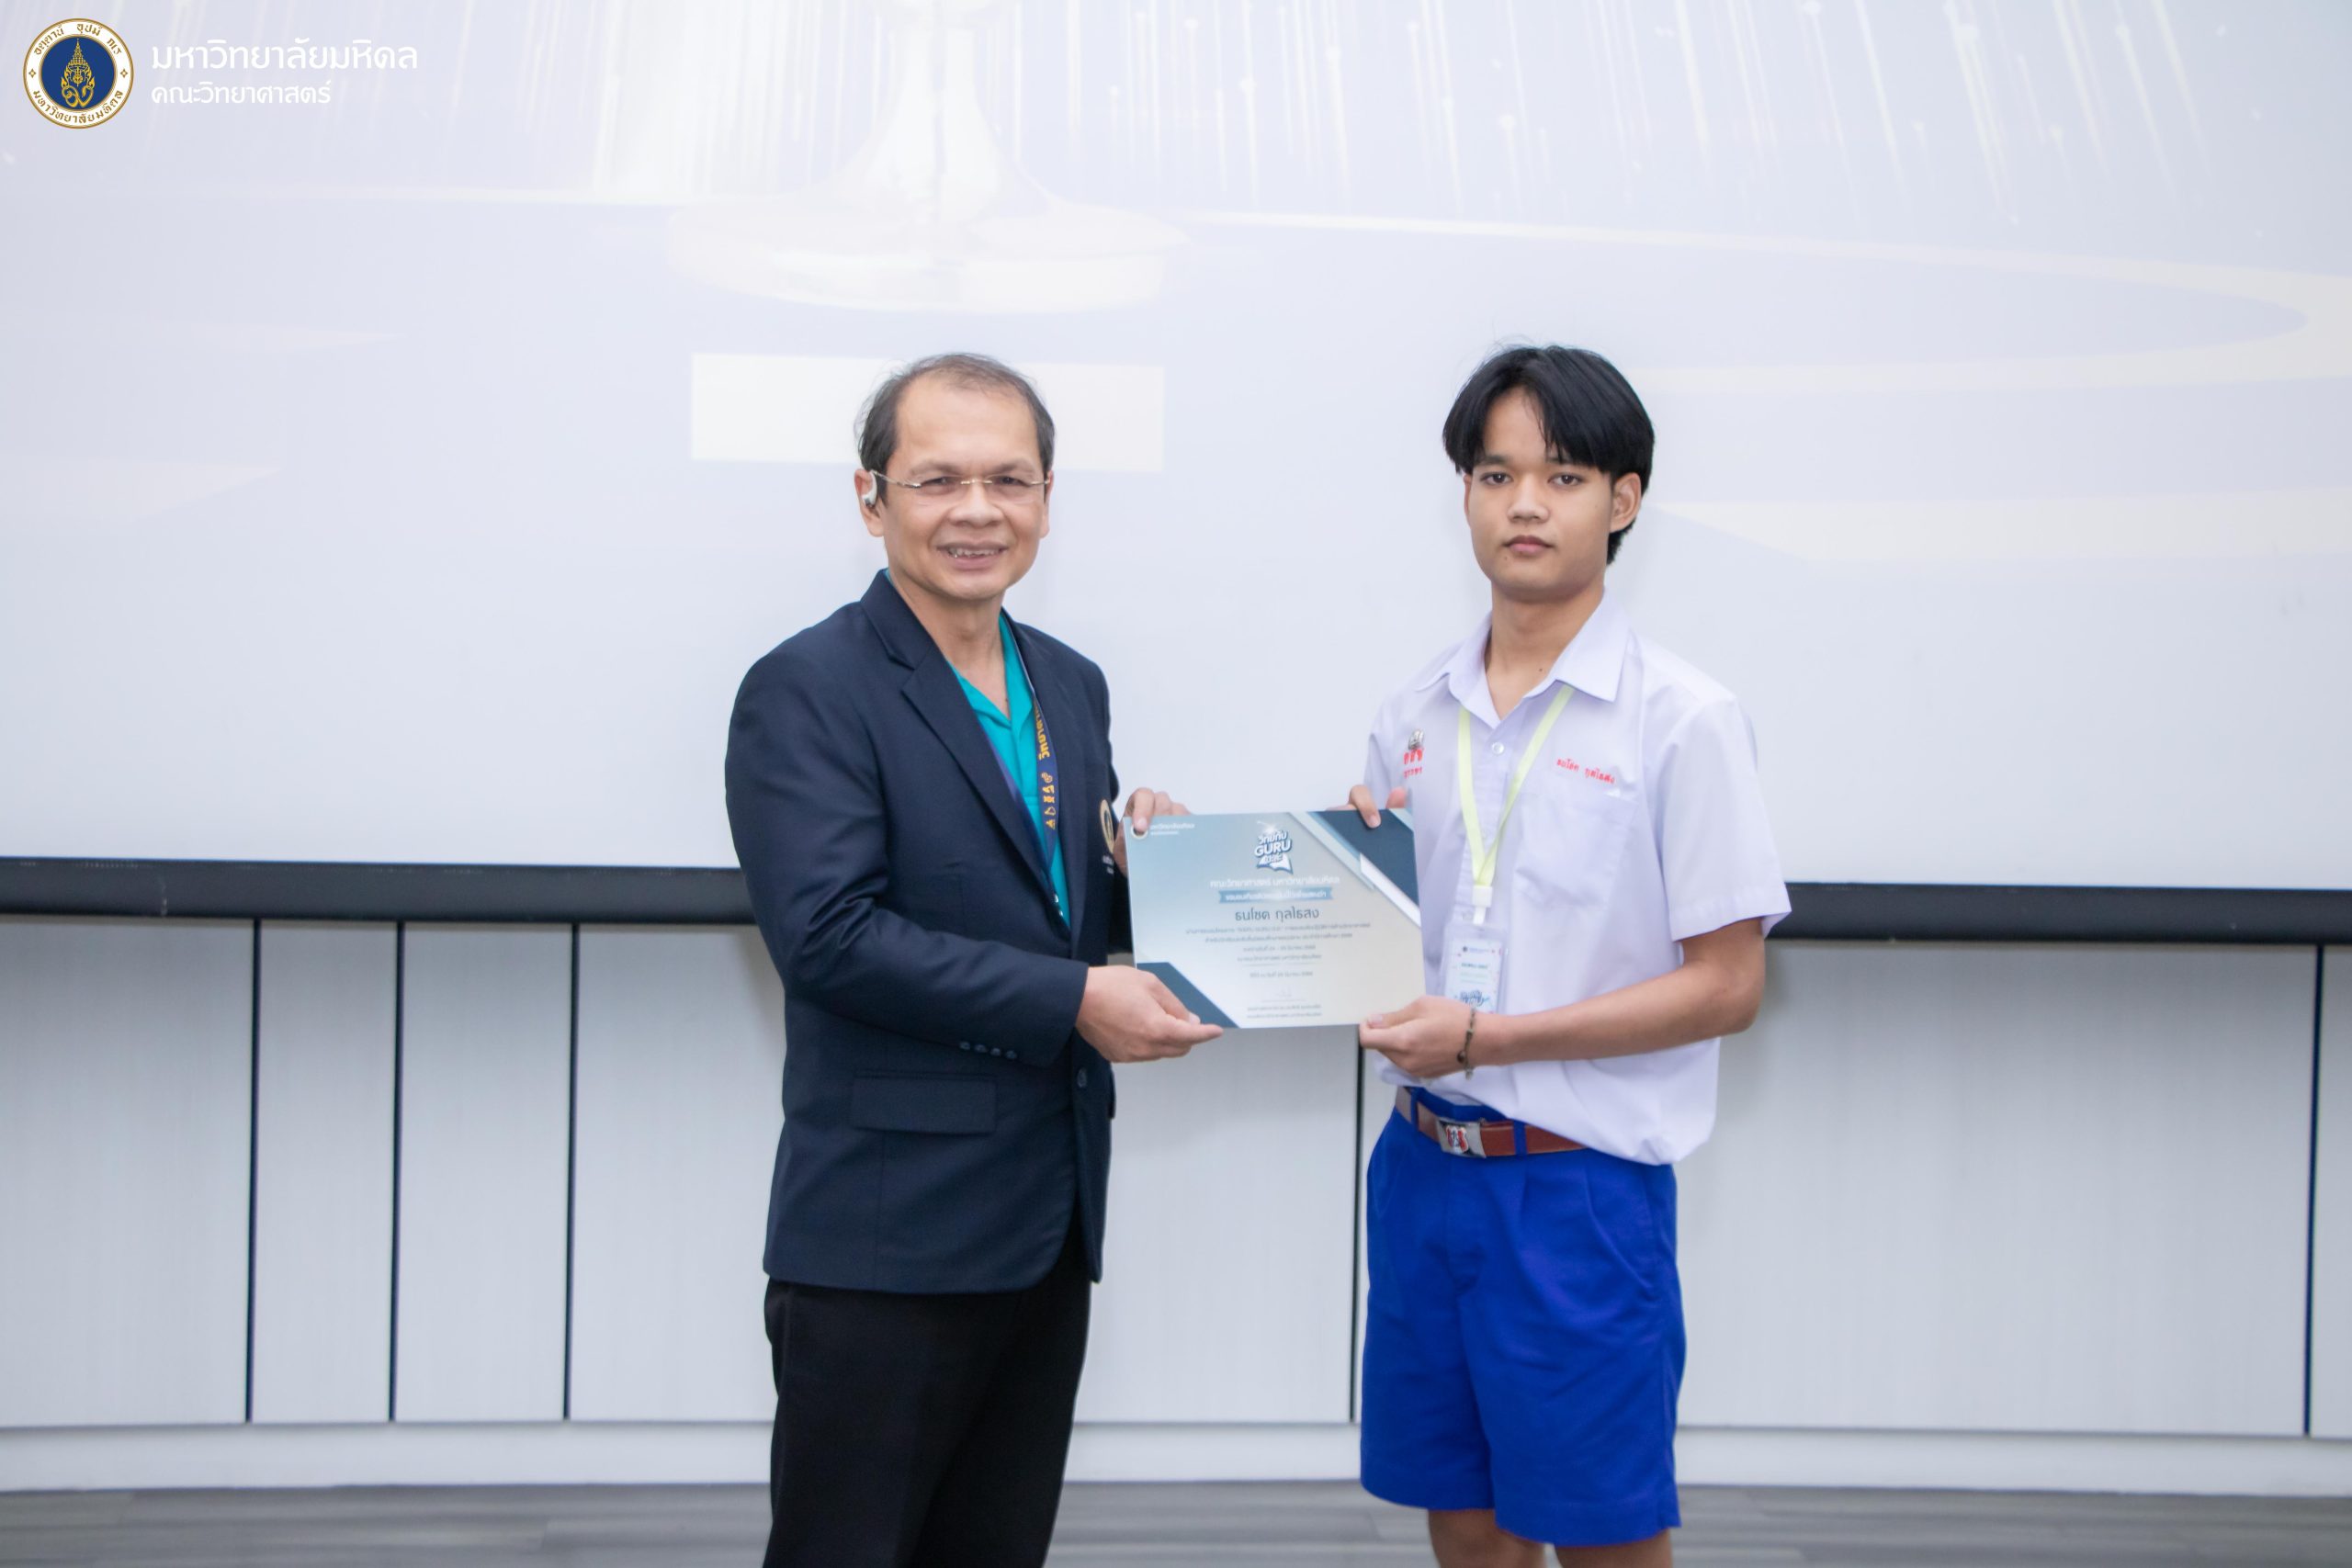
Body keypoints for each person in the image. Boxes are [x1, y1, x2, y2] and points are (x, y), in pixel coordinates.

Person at [725, 352, 1220, 1568]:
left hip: (1046, 1222)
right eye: (938, 480)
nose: (978, 511)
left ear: (1048, 497)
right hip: (888, 1239)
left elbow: (1050, 910)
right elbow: (830, 938)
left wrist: (1158, 869)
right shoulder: (808, 687)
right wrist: (1077, 1000)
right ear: (871, 498)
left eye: (1010, 480)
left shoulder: (1070, 684)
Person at [1349, 344, 1789, 1568]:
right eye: (1496, 475)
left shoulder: (1684, 720)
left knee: (1604, 1536)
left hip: (1578, 1189)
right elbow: (1369, 950)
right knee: (1466, 1527)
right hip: (1422, 1169)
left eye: (1564, 475)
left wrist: (1492, 1040)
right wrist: (1211, 868)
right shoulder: (1411, 716)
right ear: (1465, 495)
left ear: (1624, 498)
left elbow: (1729, 987)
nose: (1525, 505)